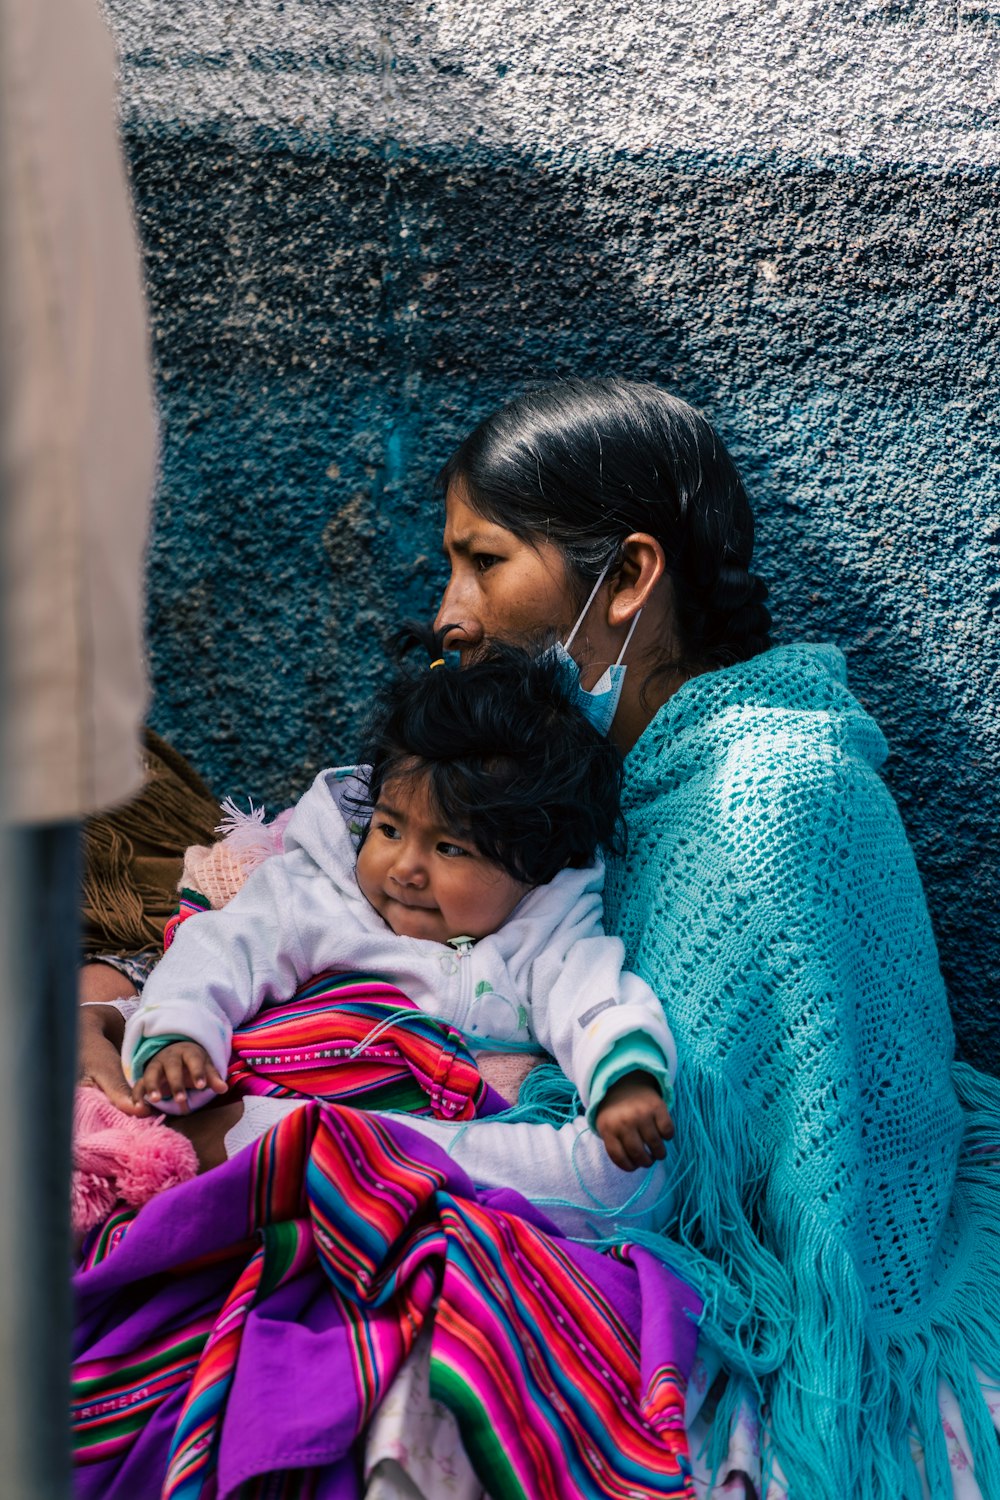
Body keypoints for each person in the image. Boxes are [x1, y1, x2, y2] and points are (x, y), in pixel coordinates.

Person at [121, 641, 677, 1177]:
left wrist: (624, 1079)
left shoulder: (545, 934)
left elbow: (597, 1001)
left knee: (627, 1176)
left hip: (435, 1141)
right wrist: (180, 1033)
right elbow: (221, 948)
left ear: (534, 864)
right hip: (293, 1094)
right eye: (389, 828)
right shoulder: (319, 893)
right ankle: (292, 1150)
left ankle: (321, 1157)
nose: (404, 868)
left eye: (450, 848)